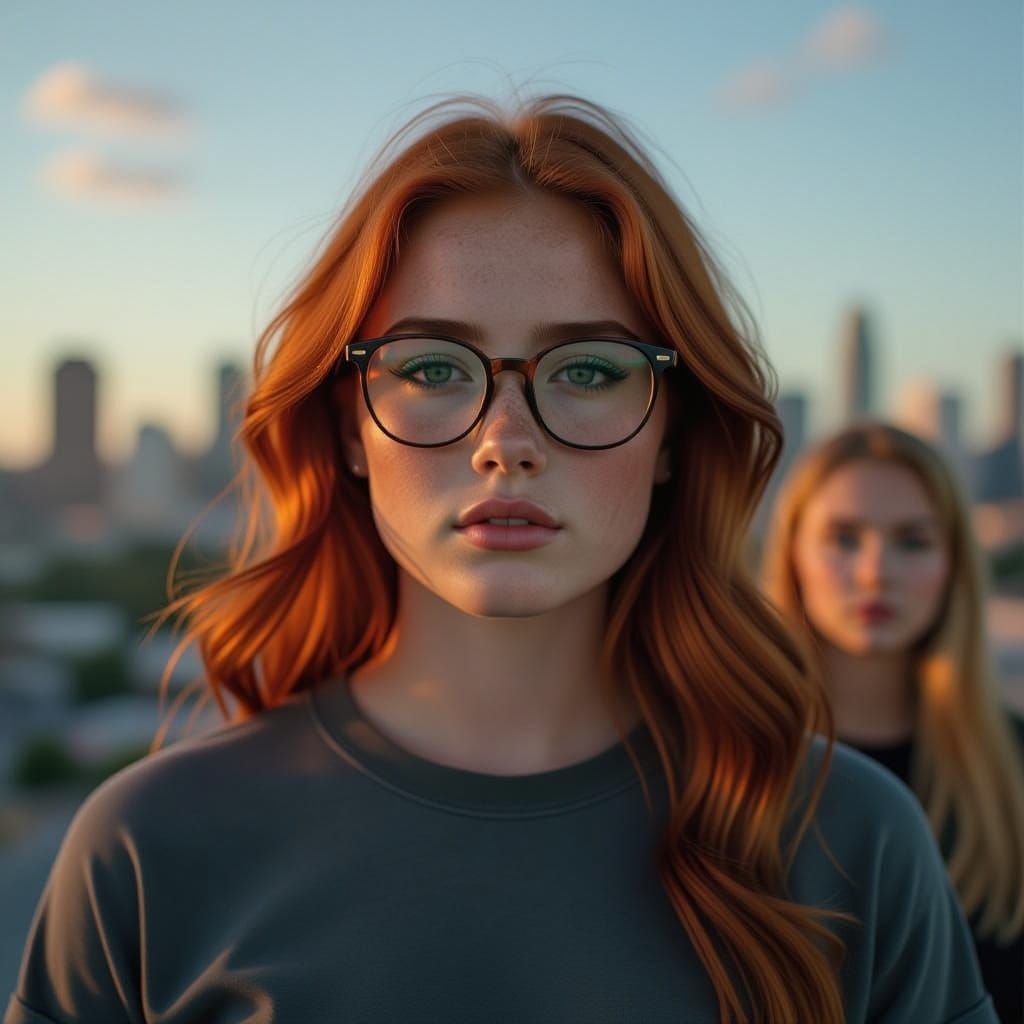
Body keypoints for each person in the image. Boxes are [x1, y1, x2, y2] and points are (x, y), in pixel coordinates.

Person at [4, 95, 999, 1024]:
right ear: (351, 425)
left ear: (672, 437)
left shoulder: (851, 839)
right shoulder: (146, 849)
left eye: (590, 370)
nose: (504, 438)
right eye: (433, 366)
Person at [761, 421, 1024, 1022]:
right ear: (792, 554)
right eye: (844, 538)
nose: (876, 571)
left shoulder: (1013, 764)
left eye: (912, 542)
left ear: (954, 563)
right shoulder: (724, 755)